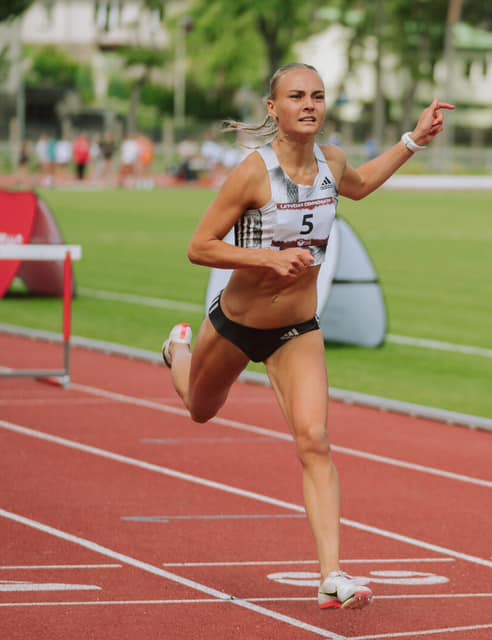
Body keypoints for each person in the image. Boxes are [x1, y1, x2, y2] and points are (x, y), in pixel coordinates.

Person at [162, 62, 454, 610]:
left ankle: (331, 576)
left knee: (315, 440)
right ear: (273, 108)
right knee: (199, 409)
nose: (309, 105)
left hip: (296, 329)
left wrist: (414, 140)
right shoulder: (253, 173)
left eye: (317, 96)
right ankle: (178, 349)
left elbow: (360, 186)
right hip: (236, 324)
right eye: (296, 96)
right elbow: (200, 247)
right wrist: (267, 260)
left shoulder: (331, 163)